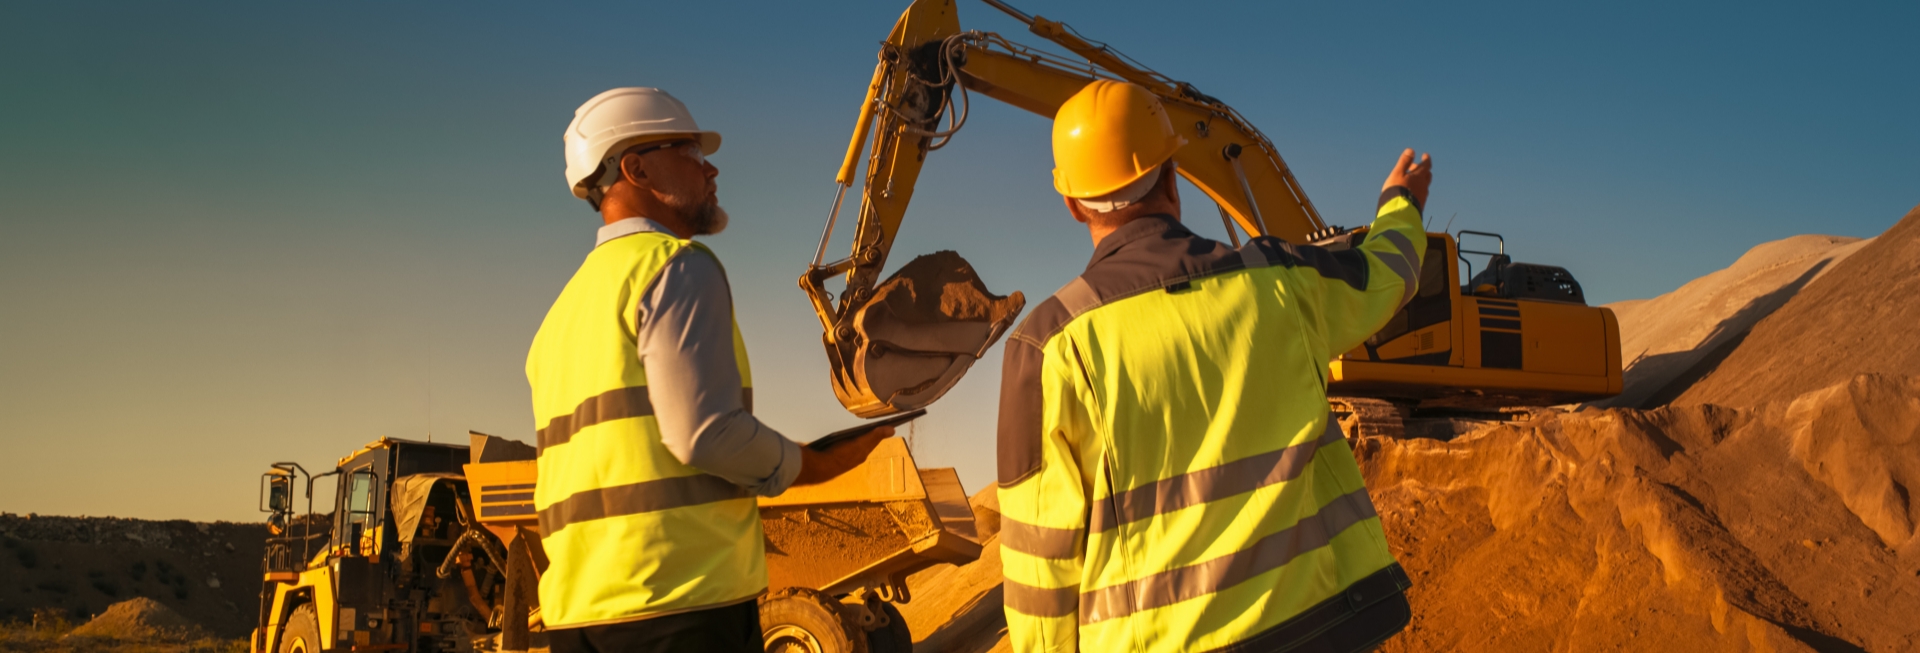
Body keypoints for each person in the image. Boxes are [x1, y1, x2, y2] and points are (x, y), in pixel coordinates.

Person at [995, 80, 1431, 652]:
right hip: (1319, 626)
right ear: (1173, 175)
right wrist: (1401, 205)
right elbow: (1388, 274)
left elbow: (1039, 562)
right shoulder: (1282, 283)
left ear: (1073, 204)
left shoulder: (1050, 346)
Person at [527, 87, 890, 653]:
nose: (712, 167)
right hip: (681, 609)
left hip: (581, 620)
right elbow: (704, 434)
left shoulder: (562, 314)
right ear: (637, 167)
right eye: (691, 152)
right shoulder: (675, 268)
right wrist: (818, 463)